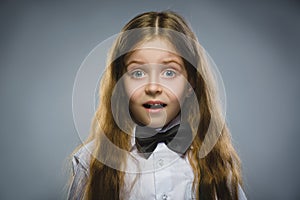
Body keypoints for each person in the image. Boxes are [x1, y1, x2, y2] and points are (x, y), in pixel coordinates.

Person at [68, 11, 247, 200]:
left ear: (191, 84)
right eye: (138, 73)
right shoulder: (90, 162)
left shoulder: (216, 164)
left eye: (169, 72)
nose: (153, 87)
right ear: (119, 84)